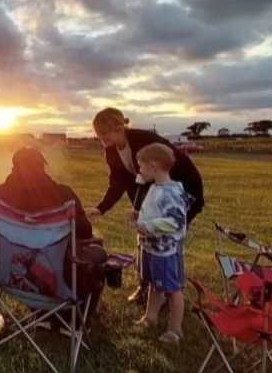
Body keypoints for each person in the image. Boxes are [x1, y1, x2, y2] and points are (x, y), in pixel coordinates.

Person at [85, 108, 205, 305]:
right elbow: (118, 182)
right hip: (151, 199)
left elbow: (165, 171)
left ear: (118, 128)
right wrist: (101, 208)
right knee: (146, 242)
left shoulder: (145, 140)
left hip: (178, 195)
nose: (100, 138)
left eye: (103, 133)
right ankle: (147, 288)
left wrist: (147, 210)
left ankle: (172, 291)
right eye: (97, 134)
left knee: (169, 244)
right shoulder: (111, 152)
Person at [0, 147, 106, 323]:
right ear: (43, 167)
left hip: (7, 276)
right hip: (60, 283)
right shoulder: (64, 195)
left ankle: (41, 315)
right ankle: (74, 321)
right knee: (98, 255)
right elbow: (85, 231)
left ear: (13, 168)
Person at [130, 143, 192, 344]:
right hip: (150, 248)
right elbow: (156, 213)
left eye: (141, 165)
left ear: (153, 166)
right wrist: (139, 217)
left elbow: (176, 221)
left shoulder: (170, 192)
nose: (139, 169)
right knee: (155, 285)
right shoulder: (156, 188)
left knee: (172, 290)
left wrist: (150, 225)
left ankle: (175, 329)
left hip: (164, 252)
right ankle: (150, 317)